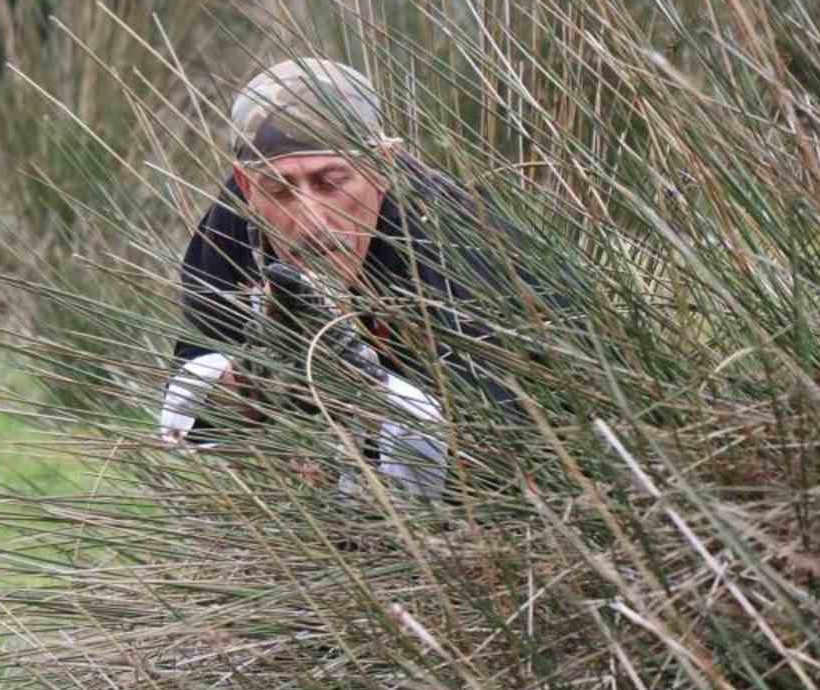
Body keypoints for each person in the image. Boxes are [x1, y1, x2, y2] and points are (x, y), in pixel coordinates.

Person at [158, 58, 571, 498]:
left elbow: (494, 457)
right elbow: (188, 417)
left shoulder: (455, 241)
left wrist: (365, 391)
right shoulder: (233, 223)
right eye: (280, 190)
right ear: (244, 183)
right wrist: (252, 380)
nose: (311, 220)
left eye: (331, 182)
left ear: (382, 166)